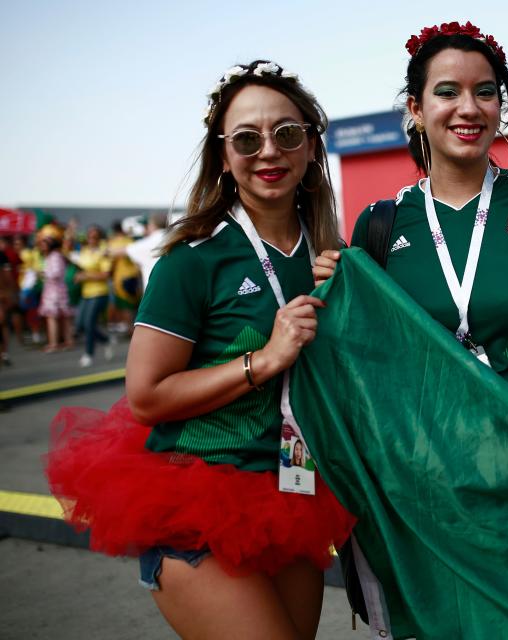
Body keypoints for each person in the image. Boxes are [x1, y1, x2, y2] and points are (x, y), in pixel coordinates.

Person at [46, 60, 354, 639]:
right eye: (246, 138)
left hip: (294, 496)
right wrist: (262, 360)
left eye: (287, 133)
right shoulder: (192, 259)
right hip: (199, 501)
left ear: (312, 145)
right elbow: (147, 396)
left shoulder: (332, 257)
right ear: (222, 154)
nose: (269, 151)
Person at [315, 21, 508, 404]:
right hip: (432, 451)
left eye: (485, 92)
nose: (469, 108)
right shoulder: (379, 225)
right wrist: (336, 293)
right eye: (447, 92)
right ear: (416, 110)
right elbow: (370, 351)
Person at [74, 224, 113, 367]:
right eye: (89, 236)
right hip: (86, 293)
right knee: (80, 325)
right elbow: (81, 269)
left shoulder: (104, 252)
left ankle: (88, 354)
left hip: (99, 292)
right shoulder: (84, 251)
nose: (91, 239)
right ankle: (106, 340)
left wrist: (86, 275)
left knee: (89, 323)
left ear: (99, 237)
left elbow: (106, 275)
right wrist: (78, 276)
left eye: (94, 237)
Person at [36, 224, 75, 352]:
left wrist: (43, 274)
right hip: (55, 290)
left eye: (44, 243)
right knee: (62, 317)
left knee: (53, 317)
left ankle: (54, 343)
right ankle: (67, 341)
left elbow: (56, 273)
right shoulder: (52, 257)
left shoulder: (55, 256)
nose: (41, 245)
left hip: (55, 291)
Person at [125, 211, 169, 289]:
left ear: (151, 225)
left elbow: (125, 250)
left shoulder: (148, 242)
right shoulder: (175, 238)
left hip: (154, 290)